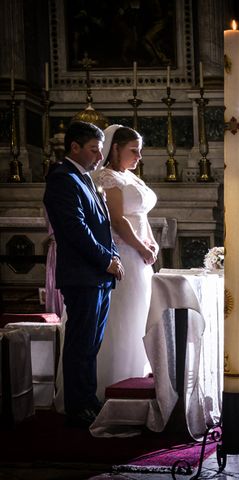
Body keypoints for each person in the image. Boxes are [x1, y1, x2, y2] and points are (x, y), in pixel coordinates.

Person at [43, 121, 124, 428]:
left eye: (100, 149)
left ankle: (89, 398)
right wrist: (107, 260)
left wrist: (112, 256)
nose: (99, 155)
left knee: (92, 343)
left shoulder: (85, 178)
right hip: (82, 275)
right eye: (93, 149)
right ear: (74, 147)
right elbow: (75, 228)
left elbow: (101, 224)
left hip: (98, 275)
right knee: (80, 342)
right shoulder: (62, 179)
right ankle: (77, 406)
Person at [92, 125, 159, 401]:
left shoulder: (132, 178)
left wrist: (151, 241)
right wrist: (142, 247)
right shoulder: (107, 178)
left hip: (141, 255)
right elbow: (118, 221)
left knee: (140, 315)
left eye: (140, 150)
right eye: (133, 150)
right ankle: (113, 381)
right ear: (115, 148)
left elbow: (141, 216)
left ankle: (136, 373)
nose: (139, 156)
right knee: (123, 316)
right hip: (125, 255)